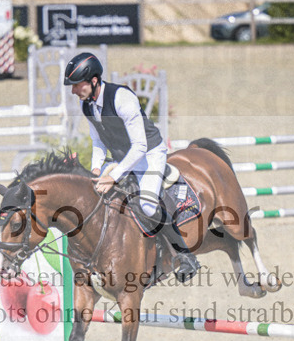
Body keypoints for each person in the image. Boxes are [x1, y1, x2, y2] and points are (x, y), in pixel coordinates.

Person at [63, 52, 199, 281]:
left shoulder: (121, 99)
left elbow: (139, 146)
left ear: (94, 81)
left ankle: (185, 255)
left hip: (149, 154)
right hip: (121, 157)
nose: (73, 91)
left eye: (77, 85)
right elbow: (98, 141)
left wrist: (113, 176)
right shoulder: (87, 105)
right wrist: (95, 170)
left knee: (147, 206)